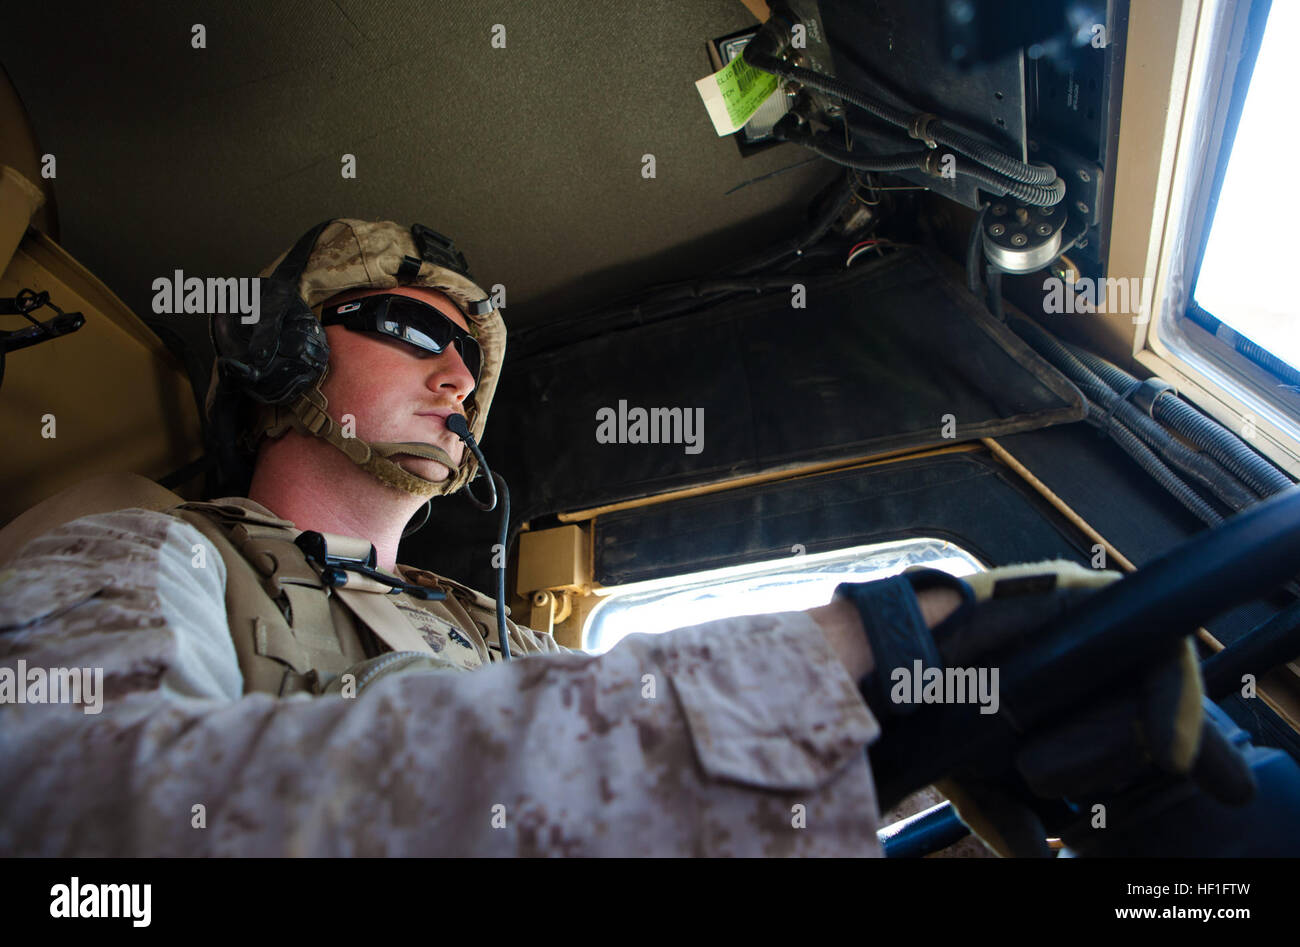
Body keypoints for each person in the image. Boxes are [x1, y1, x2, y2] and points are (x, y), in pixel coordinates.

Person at [0, 219, 1236, 857]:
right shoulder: (139, 536)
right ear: (281, 352)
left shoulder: (481, 627)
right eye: (411, 331)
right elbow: (75, 824)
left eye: (470, 360)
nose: (456, 378)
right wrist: (864, 645)